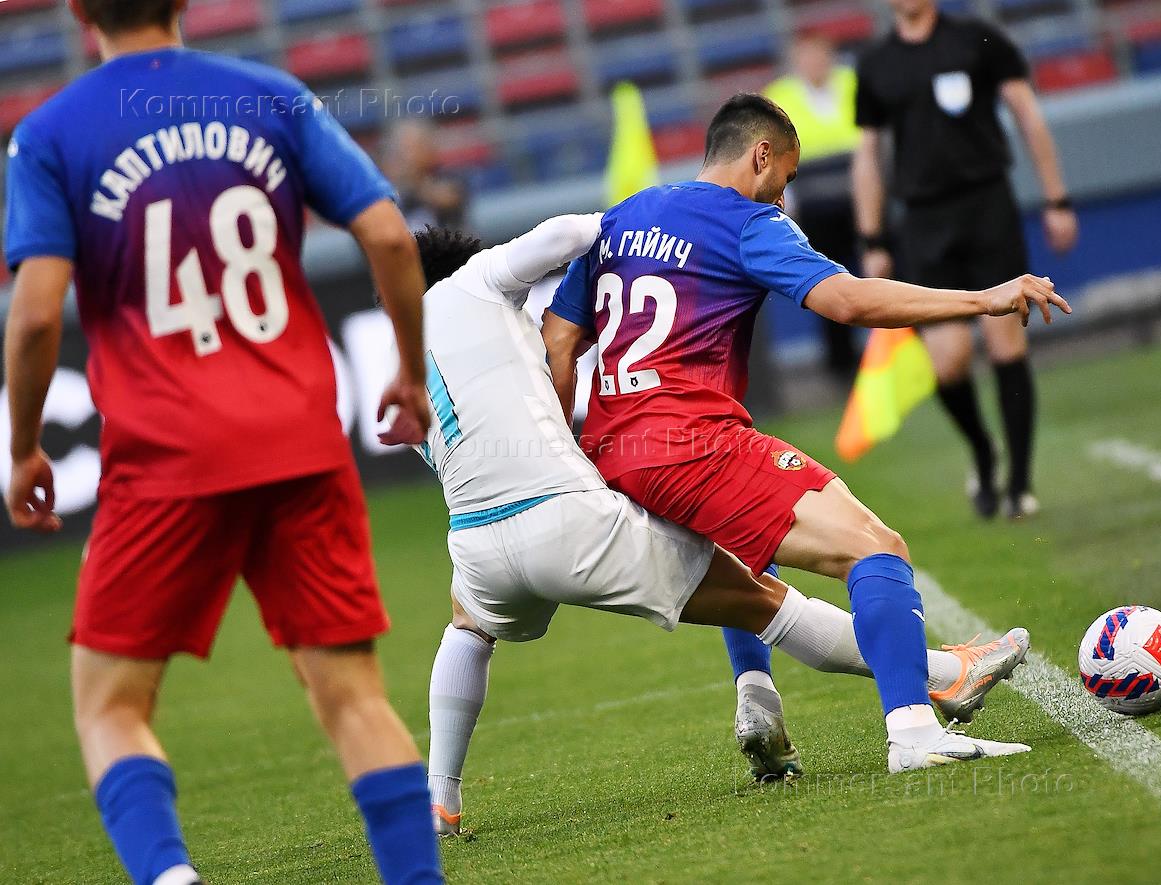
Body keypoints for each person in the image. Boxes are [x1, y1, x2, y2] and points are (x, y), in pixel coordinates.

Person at [388, 214, 1032, 836]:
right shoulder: (476, 280)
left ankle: (439, 798)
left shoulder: (405, 363)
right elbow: (566, 234)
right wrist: (643, 219)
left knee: (468, 630)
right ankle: (940, 677)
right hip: (568, 519)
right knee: (760, 598)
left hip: (477, 545)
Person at [3, 1, 439, 882]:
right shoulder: (270, 95)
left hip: (165, 455)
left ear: (79, 11)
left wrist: (22, 447)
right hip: (300, 440)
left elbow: (38, 315)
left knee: (110, 707)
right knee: (354, 697)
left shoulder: (49, 134)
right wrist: (408, 370)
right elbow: (391, 236)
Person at [540, 93, 1069, 781]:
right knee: (876, 547)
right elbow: (845, 300)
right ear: (761, 155)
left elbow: (558, 341)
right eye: (785, 177)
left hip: (613, 456)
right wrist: (980, 299)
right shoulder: (748, 222)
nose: (784, 197)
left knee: (745, 554)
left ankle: (757, 695)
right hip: (692, 444)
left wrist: (565, 455)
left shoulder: (622, 217)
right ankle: (914, 731)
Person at [852, 0, 1079, 520]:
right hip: (923, 222)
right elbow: (868, 154)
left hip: (987, 209)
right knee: (947, 361)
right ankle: (982, 449)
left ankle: (1019, 484)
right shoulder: (876, 64)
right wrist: (872, 237)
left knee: (1006, 345)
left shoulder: (977, 39)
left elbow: (1027, 114)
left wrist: (1057, 199)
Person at [765, 29, 862, 379]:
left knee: (884, 272)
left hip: (863, 199)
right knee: (828, 282)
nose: (814, 63)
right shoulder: (779, 98)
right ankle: (842, 365)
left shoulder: (853, 83)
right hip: (816, 208)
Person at [382, 119, 468, 233]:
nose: (407, 155)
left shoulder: (449, 174)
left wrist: (414, 179)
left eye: (413, 147)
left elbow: (448, 199)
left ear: (430, 147)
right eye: (403, 148)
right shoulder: (395, 185)